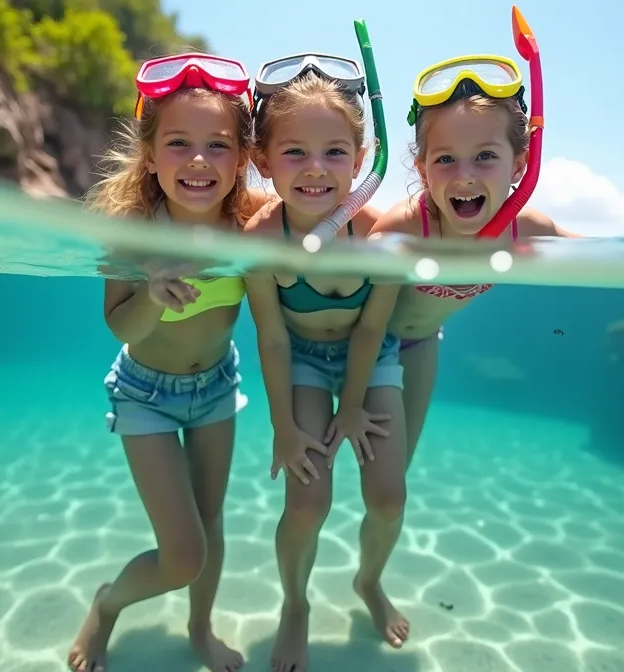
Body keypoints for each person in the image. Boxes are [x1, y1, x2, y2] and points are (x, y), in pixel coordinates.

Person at [67, 52, 271, 672]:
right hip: (144, 394)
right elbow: (118, 324)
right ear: (150, 155)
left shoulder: (250, 227)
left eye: (218, 145)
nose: (200, 160)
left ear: (241, 159)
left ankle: (200, 629)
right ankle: (106, 606)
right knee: (182, 555)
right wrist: (152, 293)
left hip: (217, 386)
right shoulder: (131, 230)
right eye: (179, 143)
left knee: (209, 529)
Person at [240, 55, 410, 672]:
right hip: (304, 361)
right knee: (308, 503)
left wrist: (356, 403)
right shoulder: (260, 242)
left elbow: (373, 327)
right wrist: (285, 426)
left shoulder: (378, 235)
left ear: (362, 159)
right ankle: (295, 606)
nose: (316, 170)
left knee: (388, 497)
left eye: (335, 152)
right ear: (263, 161)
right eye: (295, 154)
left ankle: (369, 581)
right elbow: (272, 339)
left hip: (375, 356)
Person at [369, 54, 581, 469]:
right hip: (362, 340)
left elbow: (598, 253)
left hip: (422, 343)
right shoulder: (409, 227)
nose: (464, 175)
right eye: (446, 159)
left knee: (395, 481)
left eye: (484, 156)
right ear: (424, 171)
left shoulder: (527, 229)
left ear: (519, 164)